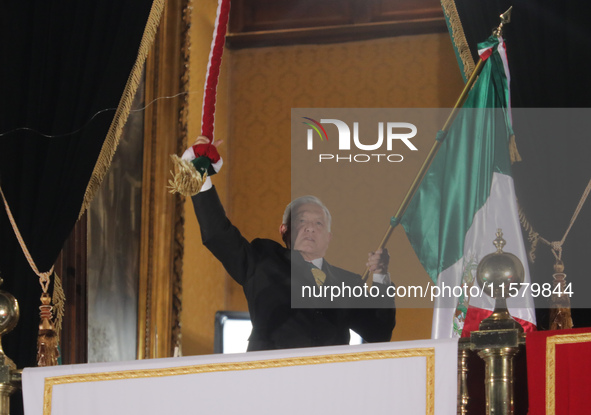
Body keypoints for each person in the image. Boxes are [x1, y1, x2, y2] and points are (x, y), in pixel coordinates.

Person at [185, 140, 395, 351]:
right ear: (284, 230)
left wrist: (380, 276)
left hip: (329, 380)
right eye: (302, 221)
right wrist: (199, 174)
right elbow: (217, 234)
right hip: (270, 377)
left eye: (318, 223)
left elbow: (379, 332)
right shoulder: (262, 259)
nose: (310, 228)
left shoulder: (348, 283)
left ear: (329, 237)